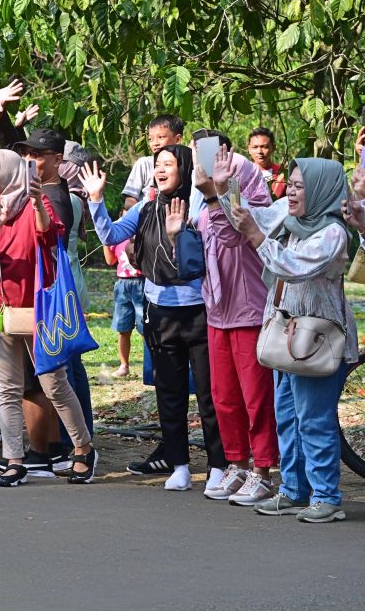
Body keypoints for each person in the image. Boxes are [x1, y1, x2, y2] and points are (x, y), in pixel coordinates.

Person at [82, 147, 228, 492]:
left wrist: (180, 234)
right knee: (169, 393)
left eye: (169, 164)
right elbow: (111, 236)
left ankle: (220, 465)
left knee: (209, 394)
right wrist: (96, 200)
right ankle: (178, 465)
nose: (161, 170)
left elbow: (204, 259)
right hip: (159, 313)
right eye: (158, 164)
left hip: (199, 312)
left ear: (185, 169)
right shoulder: (146, 210)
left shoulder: (199, 209)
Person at [225, 158, 357, 523]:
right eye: (292, 185)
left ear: (320, 189)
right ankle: (294, 491)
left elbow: (290, 265)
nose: (292, 192)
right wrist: (222, 188)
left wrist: (255, 235)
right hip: (286, 333)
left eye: (301, 186)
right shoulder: (294, 218)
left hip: (317, 338)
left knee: (314, 419)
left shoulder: (332, 232)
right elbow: (254, 218)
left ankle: (327, 497)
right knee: (287, 416)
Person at [0, 148, 96, 486]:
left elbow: (51, 236)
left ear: (10, 171)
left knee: (54, 383)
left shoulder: (36, 203)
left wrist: (37, 204)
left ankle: (83, 448)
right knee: (7, 389)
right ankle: (14, 460)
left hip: (39, 311)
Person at [194, 149, 278, 505]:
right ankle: (237, 464)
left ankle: (263, 471)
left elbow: (230, 237)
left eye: (228, 173)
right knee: (224, 397)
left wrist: (218, 195)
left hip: (249, 314)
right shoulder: (205, 207)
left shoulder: (258, 211)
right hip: (217, 312)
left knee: (256, 399)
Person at [121, 114, 184, 210]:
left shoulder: (186, 166)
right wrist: (146, 213)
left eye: (161, 137)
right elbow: (129, 200)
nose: (155, 143)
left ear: (178, 139)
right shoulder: (144, 164)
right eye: (150, 139)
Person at [103, 239, 143, 378]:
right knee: (123, 328)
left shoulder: (142, 229)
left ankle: (151, 365)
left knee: (146, 328)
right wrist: (105, 240)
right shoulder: (117, 232)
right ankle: (124, 365)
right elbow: (110, 260)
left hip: (142, 282)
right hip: (122, 284)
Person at [247, 127, 287, 199]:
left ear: (273, 148)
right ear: (249, 149)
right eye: (255, 147)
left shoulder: (282, 173)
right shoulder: (244, 173)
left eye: (264, 147)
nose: (259, 151)